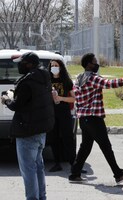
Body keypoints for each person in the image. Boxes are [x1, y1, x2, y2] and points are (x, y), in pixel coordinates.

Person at [69, 53, 123, 184]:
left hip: (84, 119)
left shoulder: (79, 78)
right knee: (106, 147)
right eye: (94, 62)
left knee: (85, 147)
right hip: (94, 119)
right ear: (88, 64)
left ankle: (75, 174)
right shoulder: (92, 78)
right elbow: (110, 83)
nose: (96, 64)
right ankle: (118, 174)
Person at [1, 52, 54, 200]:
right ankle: (41, 197)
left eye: (21, 63)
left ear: (29, 64)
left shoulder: (27, 82)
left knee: (28, 170)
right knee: (38, 167)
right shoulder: (44, 78)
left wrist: (6, 99)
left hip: (27, 131)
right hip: (40, 131)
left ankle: (32, 198)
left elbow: (16, 105)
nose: (19, 66)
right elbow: (30, 101)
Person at [47, 59, 77, 172]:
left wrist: (61, 98)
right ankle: (57, 163)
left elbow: (73, 98)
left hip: (64, 112)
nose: (54, 67)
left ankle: (73, 163)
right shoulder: (47, 81)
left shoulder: (66, 81)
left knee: (68, 137)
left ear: (61, 67)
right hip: (51, 113)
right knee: (54, 138)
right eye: (52, 65)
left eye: (56, 65)